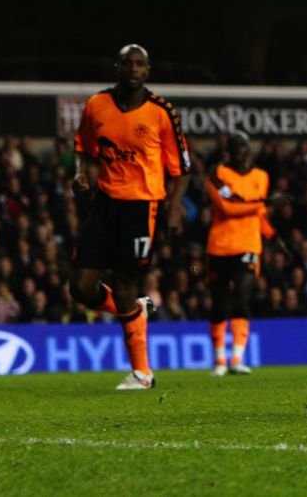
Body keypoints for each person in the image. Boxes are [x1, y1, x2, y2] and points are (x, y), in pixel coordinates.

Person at [67, 44, 191, 391]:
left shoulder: (162, 112)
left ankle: (142, 374)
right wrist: (82, 176)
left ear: (148, 71)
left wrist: (175, 207)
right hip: (104, 203)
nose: (133, 69)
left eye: (140, 64)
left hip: (142, 207)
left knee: (124, 284)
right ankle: (135, 310)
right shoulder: (97, 106)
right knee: (79, 288)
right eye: (127, 64)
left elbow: (181, 169)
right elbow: (86, 151)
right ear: (117, 68)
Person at [205, 131, 288, 376]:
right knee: (220, 303)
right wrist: (267, 203)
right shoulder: (217, 174)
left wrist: (274, 238)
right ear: (228, 151)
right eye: (237, 146)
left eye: (245, 145)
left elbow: (257, 213)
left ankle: (237, 358)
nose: (243, 149)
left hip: (249, 244)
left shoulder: (261, 177)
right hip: (220, 246)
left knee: (242, 295)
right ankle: (220, 359)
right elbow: (228, 207)